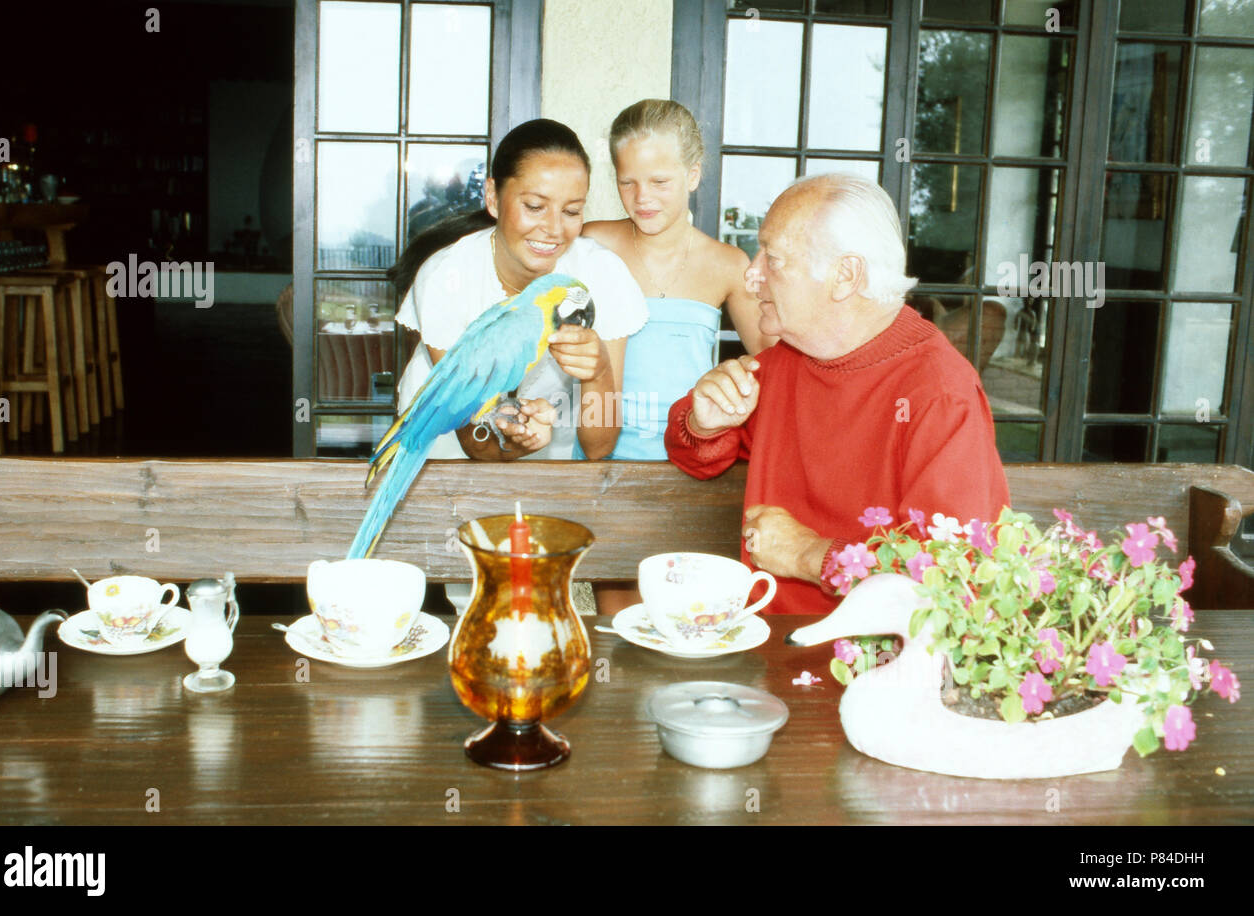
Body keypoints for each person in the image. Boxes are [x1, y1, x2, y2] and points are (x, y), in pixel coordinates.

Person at [665, 173, 1011, 616]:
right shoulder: (788, 358)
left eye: (773, 257)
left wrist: (810, 554)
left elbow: (956, 578)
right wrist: (703, 423)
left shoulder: (939, 392)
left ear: (844, 276)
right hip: (765, 648)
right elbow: (694, 455)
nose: (751, 274)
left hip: (875, 666)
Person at [393, 118, 647, 463]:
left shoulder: (601, 275)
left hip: (547, 446)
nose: (554, 230)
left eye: (572, 211)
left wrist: (599, 371)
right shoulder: (446, 276)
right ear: (493, 198)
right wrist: (518, 442)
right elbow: (475, 442)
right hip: (439, 454)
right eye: (534, 207)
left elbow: (599, 446)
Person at [582, 99, 774, 461]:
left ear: (693, 175)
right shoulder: (593, 243)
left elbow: (775, 362)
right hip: (598, 462)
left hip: (693, 460)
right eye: (628, 182)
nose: (642, 198)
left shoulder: (728, 263)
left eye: (659, 182)